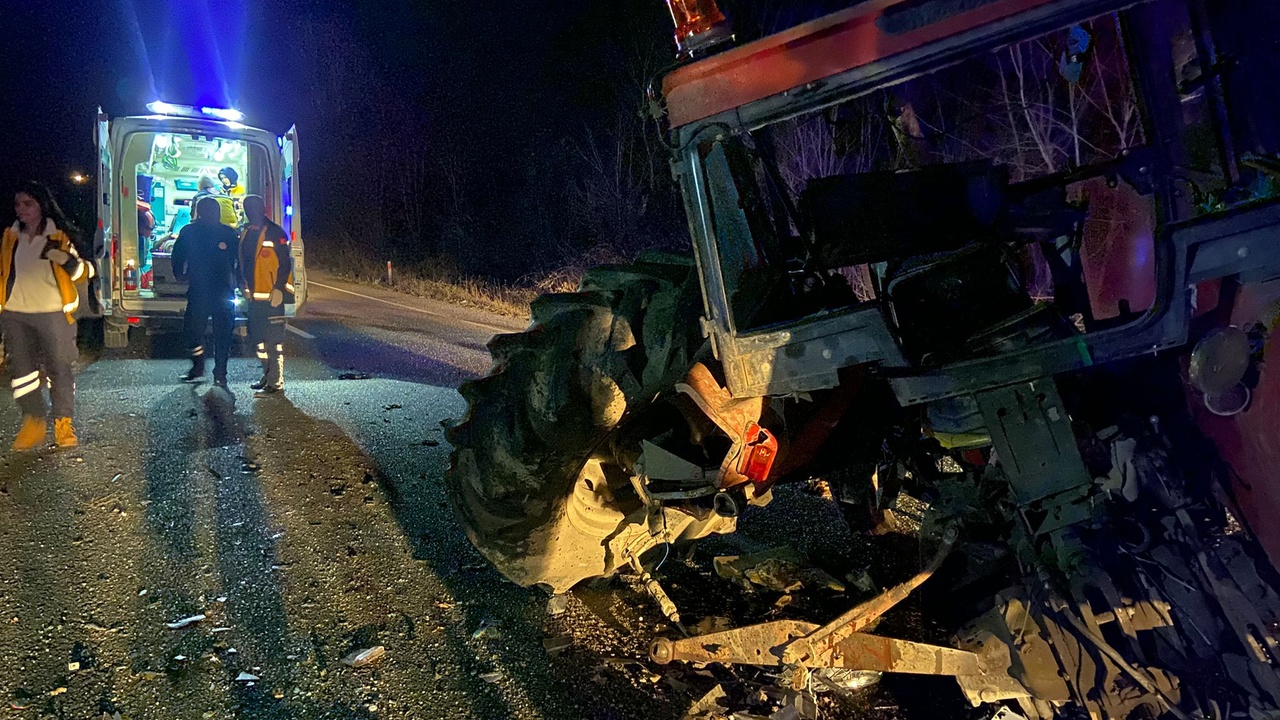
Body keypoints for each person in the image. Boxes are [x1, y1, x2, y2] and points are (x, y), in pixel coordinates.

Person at [0, 181, 94, 450]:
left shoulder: (60, 237)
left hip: (53, 313)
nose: (21, 209)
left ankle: (63, 425)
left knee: (61, 369)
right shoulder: (10, 236)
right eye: (18, 204)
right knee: (21, 372)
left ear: (42, 205)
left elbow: (86, 272)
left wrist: (67, 260)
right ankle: (33, 422)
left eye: (27, 203)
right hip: (15, 314)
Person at [172, 196, 239, 387]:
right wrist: (179, 273)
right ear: (200, 213)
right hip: (199, 290)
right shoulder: (189, 232)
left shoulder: (228, 233)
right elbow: (178, 255)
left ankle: (220, 373)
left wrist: (241, 280)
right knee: (192, 333)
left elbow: (239, 260)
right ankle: (198, 367)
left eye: (215, 211)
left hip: (222, 291)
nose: (213, 214)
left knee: (223, 335)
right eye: (210, 211)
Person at [239, 195, 293, 396]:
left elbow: (285, 263)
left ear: (262, 208)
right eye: (247, 207)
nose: (250, 211)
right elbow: (244, 262)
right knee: (259, 341)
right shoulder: (246, 232)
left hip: (272, 298)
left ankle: (276, 382)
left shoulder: (275, 232)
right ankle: (267, 375)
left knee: (273, 342)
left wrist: (279, 288)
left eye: (253, 207)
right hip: (254, 298)